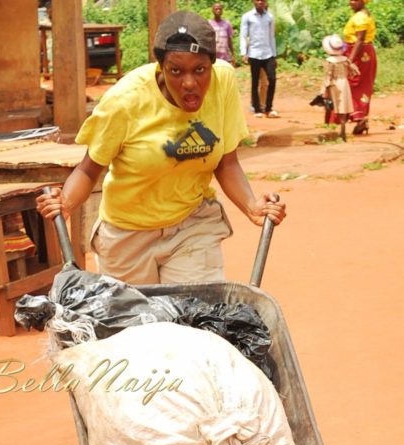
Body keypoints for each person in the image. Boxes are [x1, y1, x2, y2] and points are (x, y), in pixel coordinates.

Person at [36, 10, 286, 285]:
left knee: (193, 319)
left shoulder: (222, 82)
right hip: (127, 235)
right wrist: (66, 203)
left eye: (200, 70)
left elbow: (226, 163)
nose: (189, 83)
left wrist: (252, 207)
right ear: (161, 67)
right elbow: (89, 169)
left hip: (192, 225)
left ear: (212, 65)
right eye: (176, 71)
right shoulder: (125, 100)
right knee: (138, 326)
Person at [343, 0, 377, 135]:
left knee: (355, 85)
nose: (351, 2)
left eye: (355, 0)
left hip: (359, 55)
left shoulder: (360, 17)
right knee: (359, 85)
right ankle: (359, 118)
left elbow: (360, 40)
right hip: (362, 54)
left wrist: (350, 60)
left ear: (363, 2)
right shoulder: (362, 14)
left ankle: (359, 118)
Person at [240, 0, 278, 118]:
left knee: (272, 79)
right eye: (258, 0)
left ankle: (268, 107)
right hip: (254, 53)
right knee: (255, 82)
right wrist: (243, 53)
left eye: (262, 0)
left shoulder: (269, 17)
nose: (260, 2)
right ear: (253, 2)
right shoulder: (247, 17)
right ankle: (257, 109)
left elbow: (271, 37)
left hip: (268, 53)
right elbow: (243, 35)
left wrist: (274, 55)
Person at [320, 34, 359, 142]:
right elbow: (355, 71)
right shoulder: (345, 59)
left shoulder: (329, 61)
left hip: (334, 84)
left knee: (330, 105)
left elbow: (328, 76)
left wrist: (324, 89)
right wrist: (347, 75)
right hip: (344, 83)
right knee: (343, 107)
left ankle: (327, 128)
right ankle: (343, 130)